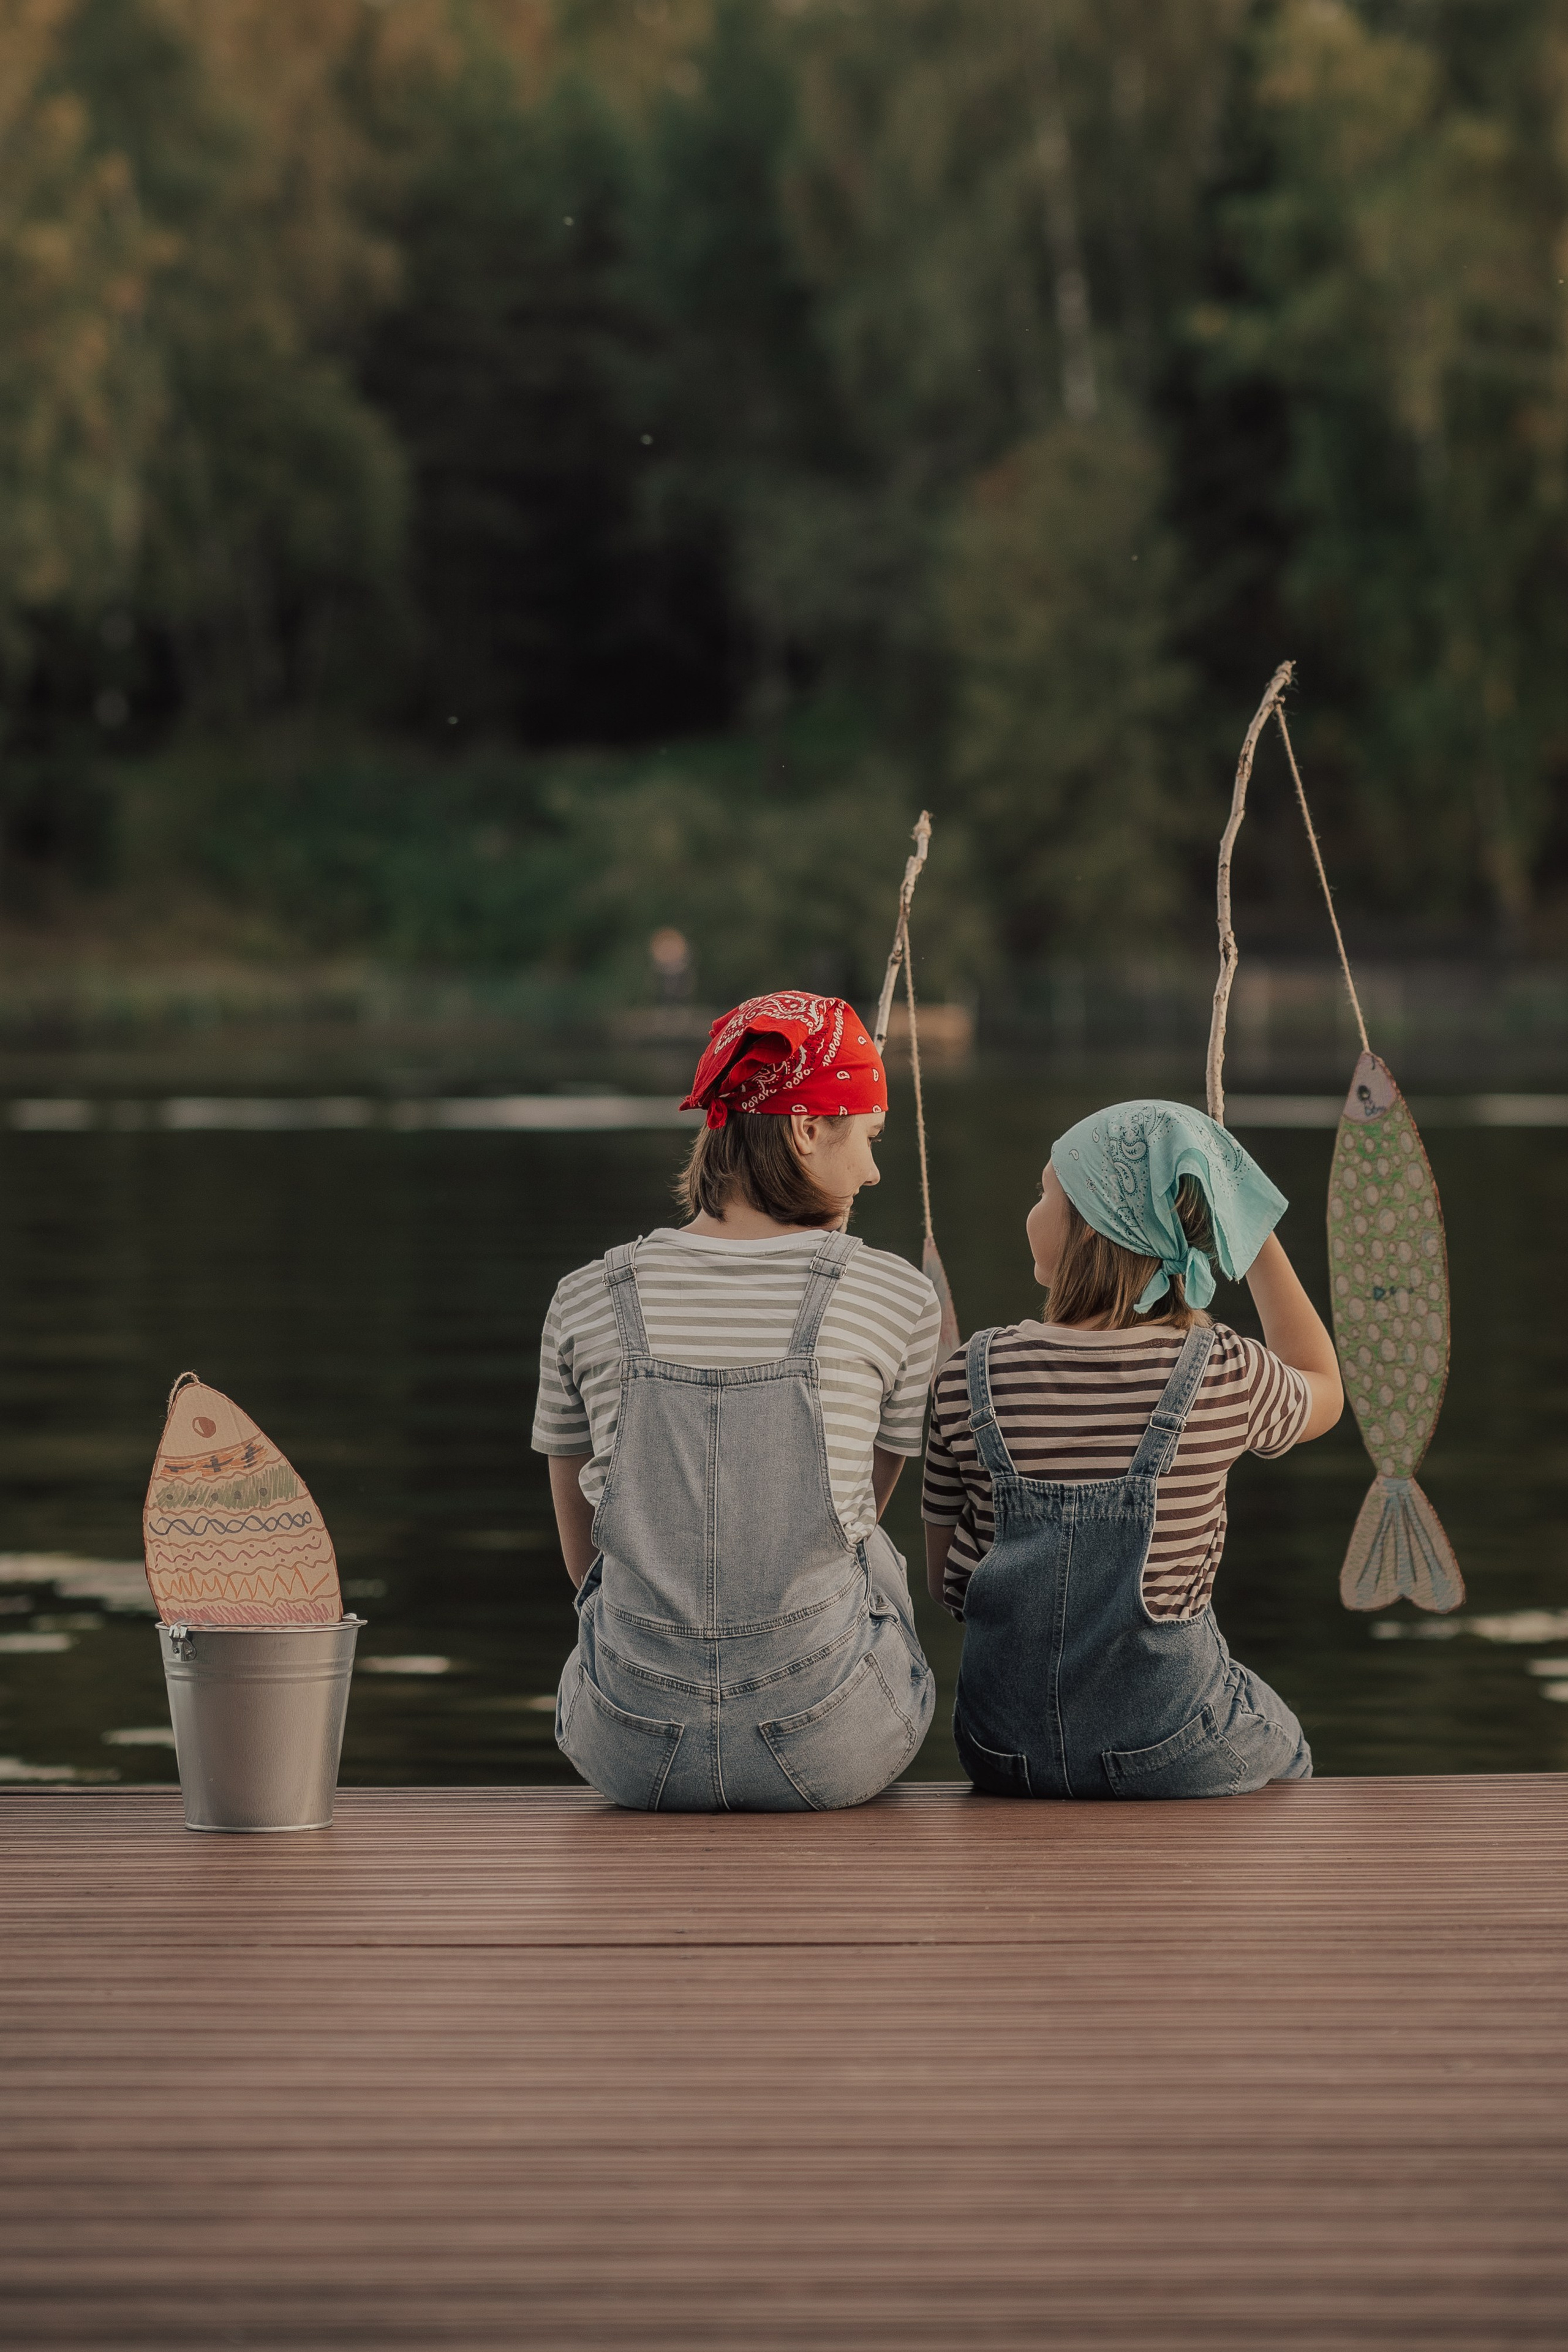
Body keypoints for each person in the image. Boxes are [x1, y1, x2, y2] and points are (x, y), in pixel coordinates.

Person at [534, 992, 939, 1811]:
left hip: (626, 1749)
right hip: (830, 1749)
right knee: (879, 1559)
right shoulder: (899, 1296)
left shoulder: (584, 1298)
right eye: (868, 1137)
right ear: (806, 1128)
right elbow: (855, 1526)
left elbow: (586, 1567)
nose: (873, 1170)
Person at [922, 1101, 1342, 1800]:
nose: (1032, 1210)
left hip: (1000, 1747)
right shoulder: (1223, 1371)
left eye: (1044, 1193)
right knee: (1283, 1740)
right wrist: (1253, 1233)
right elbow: (1324, 1386)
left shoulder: (968, 1373)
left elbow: (948, 1587)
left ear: (1088, 1227)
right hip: (1171, 1743)